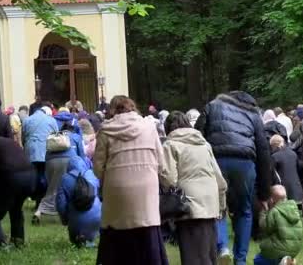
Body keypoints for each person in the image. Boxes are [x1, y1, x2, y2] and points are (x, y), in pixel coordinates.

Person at [195, 91, 272, 265]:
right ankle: (241, 260)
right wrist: (264, 193)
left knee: (217, 208)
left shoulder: (212, 106)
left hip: (216, 160)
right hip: (245, 163)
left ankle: (222, 248)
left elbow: (197, 135)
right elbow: (264, 151)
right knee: (244, 211)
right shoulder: (253, 114)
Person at [94, 95, 168, 265]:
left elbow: (98, 168)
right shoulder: (149, 127)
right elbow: (161, 163)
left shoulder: (106, 130)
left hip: (117, 188)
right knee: (147, 229)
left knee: (117, 233)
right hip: (146, 188)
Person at [159, 111, 227, 265]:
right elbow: (219, 179)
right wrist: (221, 205)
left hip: (188, 205)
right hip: (210, 202)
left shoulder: (170, 145)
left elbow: (169, 179)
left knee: (193, 256)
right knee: (209, 255)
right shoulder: (204, 144)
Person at [34, 117, 85, 223]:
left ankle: (39, 212)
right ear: (74, 128)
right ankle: (67, 213)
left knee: (52, 188)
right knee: (68, 188)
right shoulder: (76, 137)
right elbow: (82, 156)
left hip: (50, 161)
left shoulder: (56, 136)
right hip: (69, 162)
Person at [56, 156, 102, 247]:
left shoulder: (65, 179)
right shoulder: (92, 175)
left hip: (75, 218)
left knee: (74, 240)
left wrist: (65, 220)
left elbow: (60, 204)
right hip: (97, 217)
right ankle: (90, 239)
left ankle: (79, 238)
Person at [254, 185, 302, 265]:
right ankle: (288, 261)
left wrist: (264, 213)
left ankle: (281, 261)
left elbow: (265, 228)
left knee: (258, 260)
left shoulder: (274, 211)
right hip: (295, 249)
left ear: (272, 200)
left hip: (279, 249)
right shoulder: (294, 210)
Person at [24, 105, 59, 209]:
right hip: (46, 151)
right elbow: (56, 136)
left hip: (31, 151)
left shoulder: (27, 120)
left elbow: (24, 136)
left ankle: (36, 199)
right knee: (45, 176)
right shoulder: (51, 120)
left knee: (34, 176)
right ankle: (44, 201)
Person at [269, 135, 303, 204]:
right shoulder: (293, 154)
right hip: (298, 192)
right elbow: (299, 170)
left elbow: (272, 175)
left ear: (275, 145)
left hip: (284, 194)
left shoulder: (274, 157)